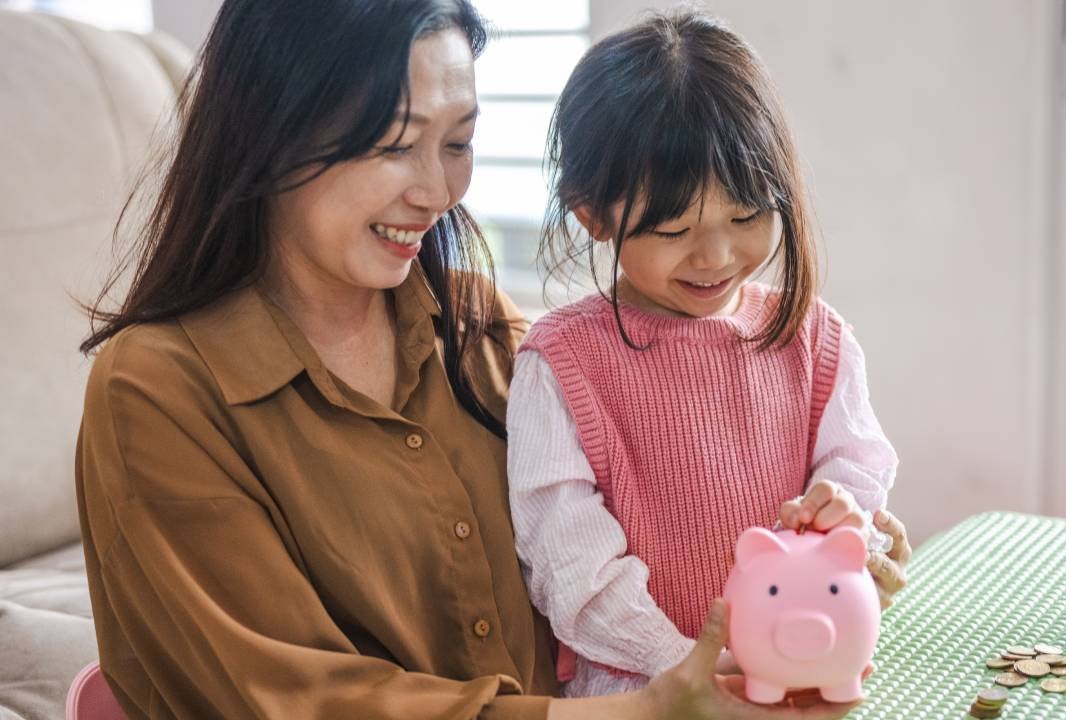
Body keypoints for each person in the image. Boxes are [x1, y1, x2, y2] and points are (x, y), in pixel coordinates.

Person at [74, 1, 910, 718]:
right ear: (269, 137)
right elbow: (288, 697)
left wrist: (838, 555)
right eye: (396, 144)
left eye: (459, 142)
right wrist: (654, 701)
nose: (437, 193)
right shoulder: (159, 389)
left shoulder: (476, 324)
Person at [507, 9, 910, 700]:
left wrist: (853, 522)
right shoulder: (562, 363)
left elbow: (858, 472)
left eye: (747, 216)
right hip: (643, 693)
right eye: (673, 229)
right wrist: (688, 665)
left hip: (799, 673)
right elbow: (569, 564)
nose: (717, 256)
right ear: (591, 214)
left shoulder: (813, 337)